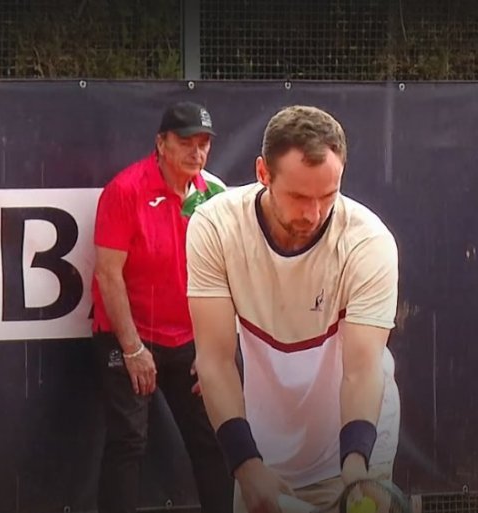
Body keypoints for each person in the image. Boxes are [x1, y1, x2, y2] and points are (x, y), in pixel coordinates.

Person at [185, 105, 401, 513]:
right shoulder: (214, 226)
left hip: (357, 440)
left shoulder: (369, 242)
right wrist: (247, 467)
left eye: (328, 196)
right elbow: (214, 361)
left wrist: (357, 468)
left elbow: (361, 371)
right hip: (264, 449)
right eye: (299, 197)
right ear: (262, 173)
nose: (313, 213)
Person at [91, 101, 233, 513]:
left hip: (190, 339)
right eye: (186, 142)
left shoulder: (216, 195)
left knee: (213, 437)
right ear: (161, 143)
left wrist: (214, 352)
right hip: (128, 336)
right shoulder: (125, 190)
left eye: (203, 143)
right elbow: (108, 274)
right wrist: (133, 349)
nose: (196, 152)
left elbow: (226, 277)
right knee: (129, 439)